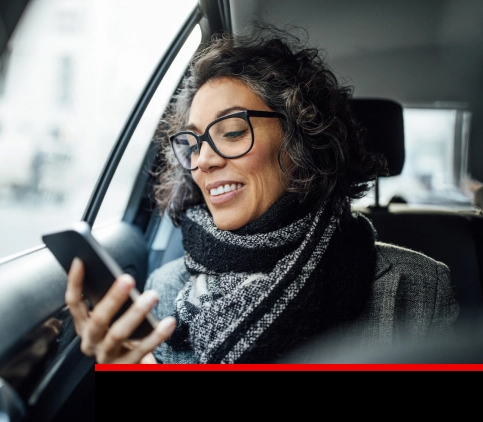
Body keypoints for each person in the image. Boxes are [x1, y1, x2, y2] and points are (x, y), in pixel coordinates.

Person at [65, 25, 460, 364]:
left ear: (302, 139)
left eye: (232, 132)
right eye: (194, 143)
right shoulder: (162, 289)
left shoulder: (416, 286)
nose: (203, 161)